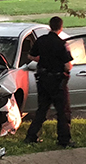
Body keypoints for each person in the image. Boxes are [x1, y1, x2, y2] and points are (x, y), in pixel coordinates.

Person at [23, 16, 73, 148]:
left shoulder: (41, 40)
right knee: (63, 111)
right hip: (57, 81)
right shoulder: (62, 44)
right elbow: (67, 66)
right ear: (61, 27)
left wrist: (43, 60)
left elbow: (30, 56)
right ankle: (64, 140)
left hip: (43, 79)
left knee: (42, 109)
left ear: (50, 26)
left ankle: (31, 136)